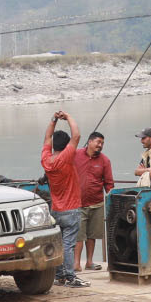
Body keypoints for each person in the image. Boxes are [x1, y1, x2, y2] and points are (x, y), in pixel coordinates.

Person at [40, 110, 87, 287]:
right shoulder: (66, 157)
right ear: (66, 145)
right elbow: (77, 135)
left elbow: (46, 138)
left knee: (59, 244)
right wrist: (67, 117)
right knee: (68, 244)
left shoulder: (46, 159)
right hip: (71, 208)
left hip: (56, 209)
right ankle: (70, 277)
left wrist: (53, 120)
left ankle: (59, 275)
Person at [73, 131, 114, 271]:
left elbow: (109, 184)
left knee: (92, 235)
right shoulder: (75, 155)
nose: (100, 145)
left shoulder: (105, 161)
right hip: (78, 203)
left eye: (102, 143)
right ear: (90, 142)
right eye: (98, 142)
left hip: (97, 203)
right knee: (79, 235)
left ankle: (89, 262)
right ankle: (76, 263)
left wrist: (110, 200)